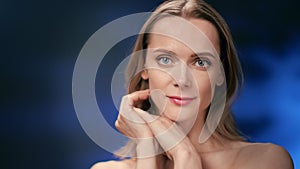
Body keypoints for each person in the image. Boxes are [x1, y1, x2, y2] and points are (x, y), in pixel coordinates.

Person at [92, 0, 294, 168]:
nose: (181, 80)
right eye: (165, 60)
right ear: (144, 66)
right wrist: (149, 152)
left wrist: (185, 154)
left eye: (200, 62)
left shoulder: (266, 161)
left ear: (220, 73)